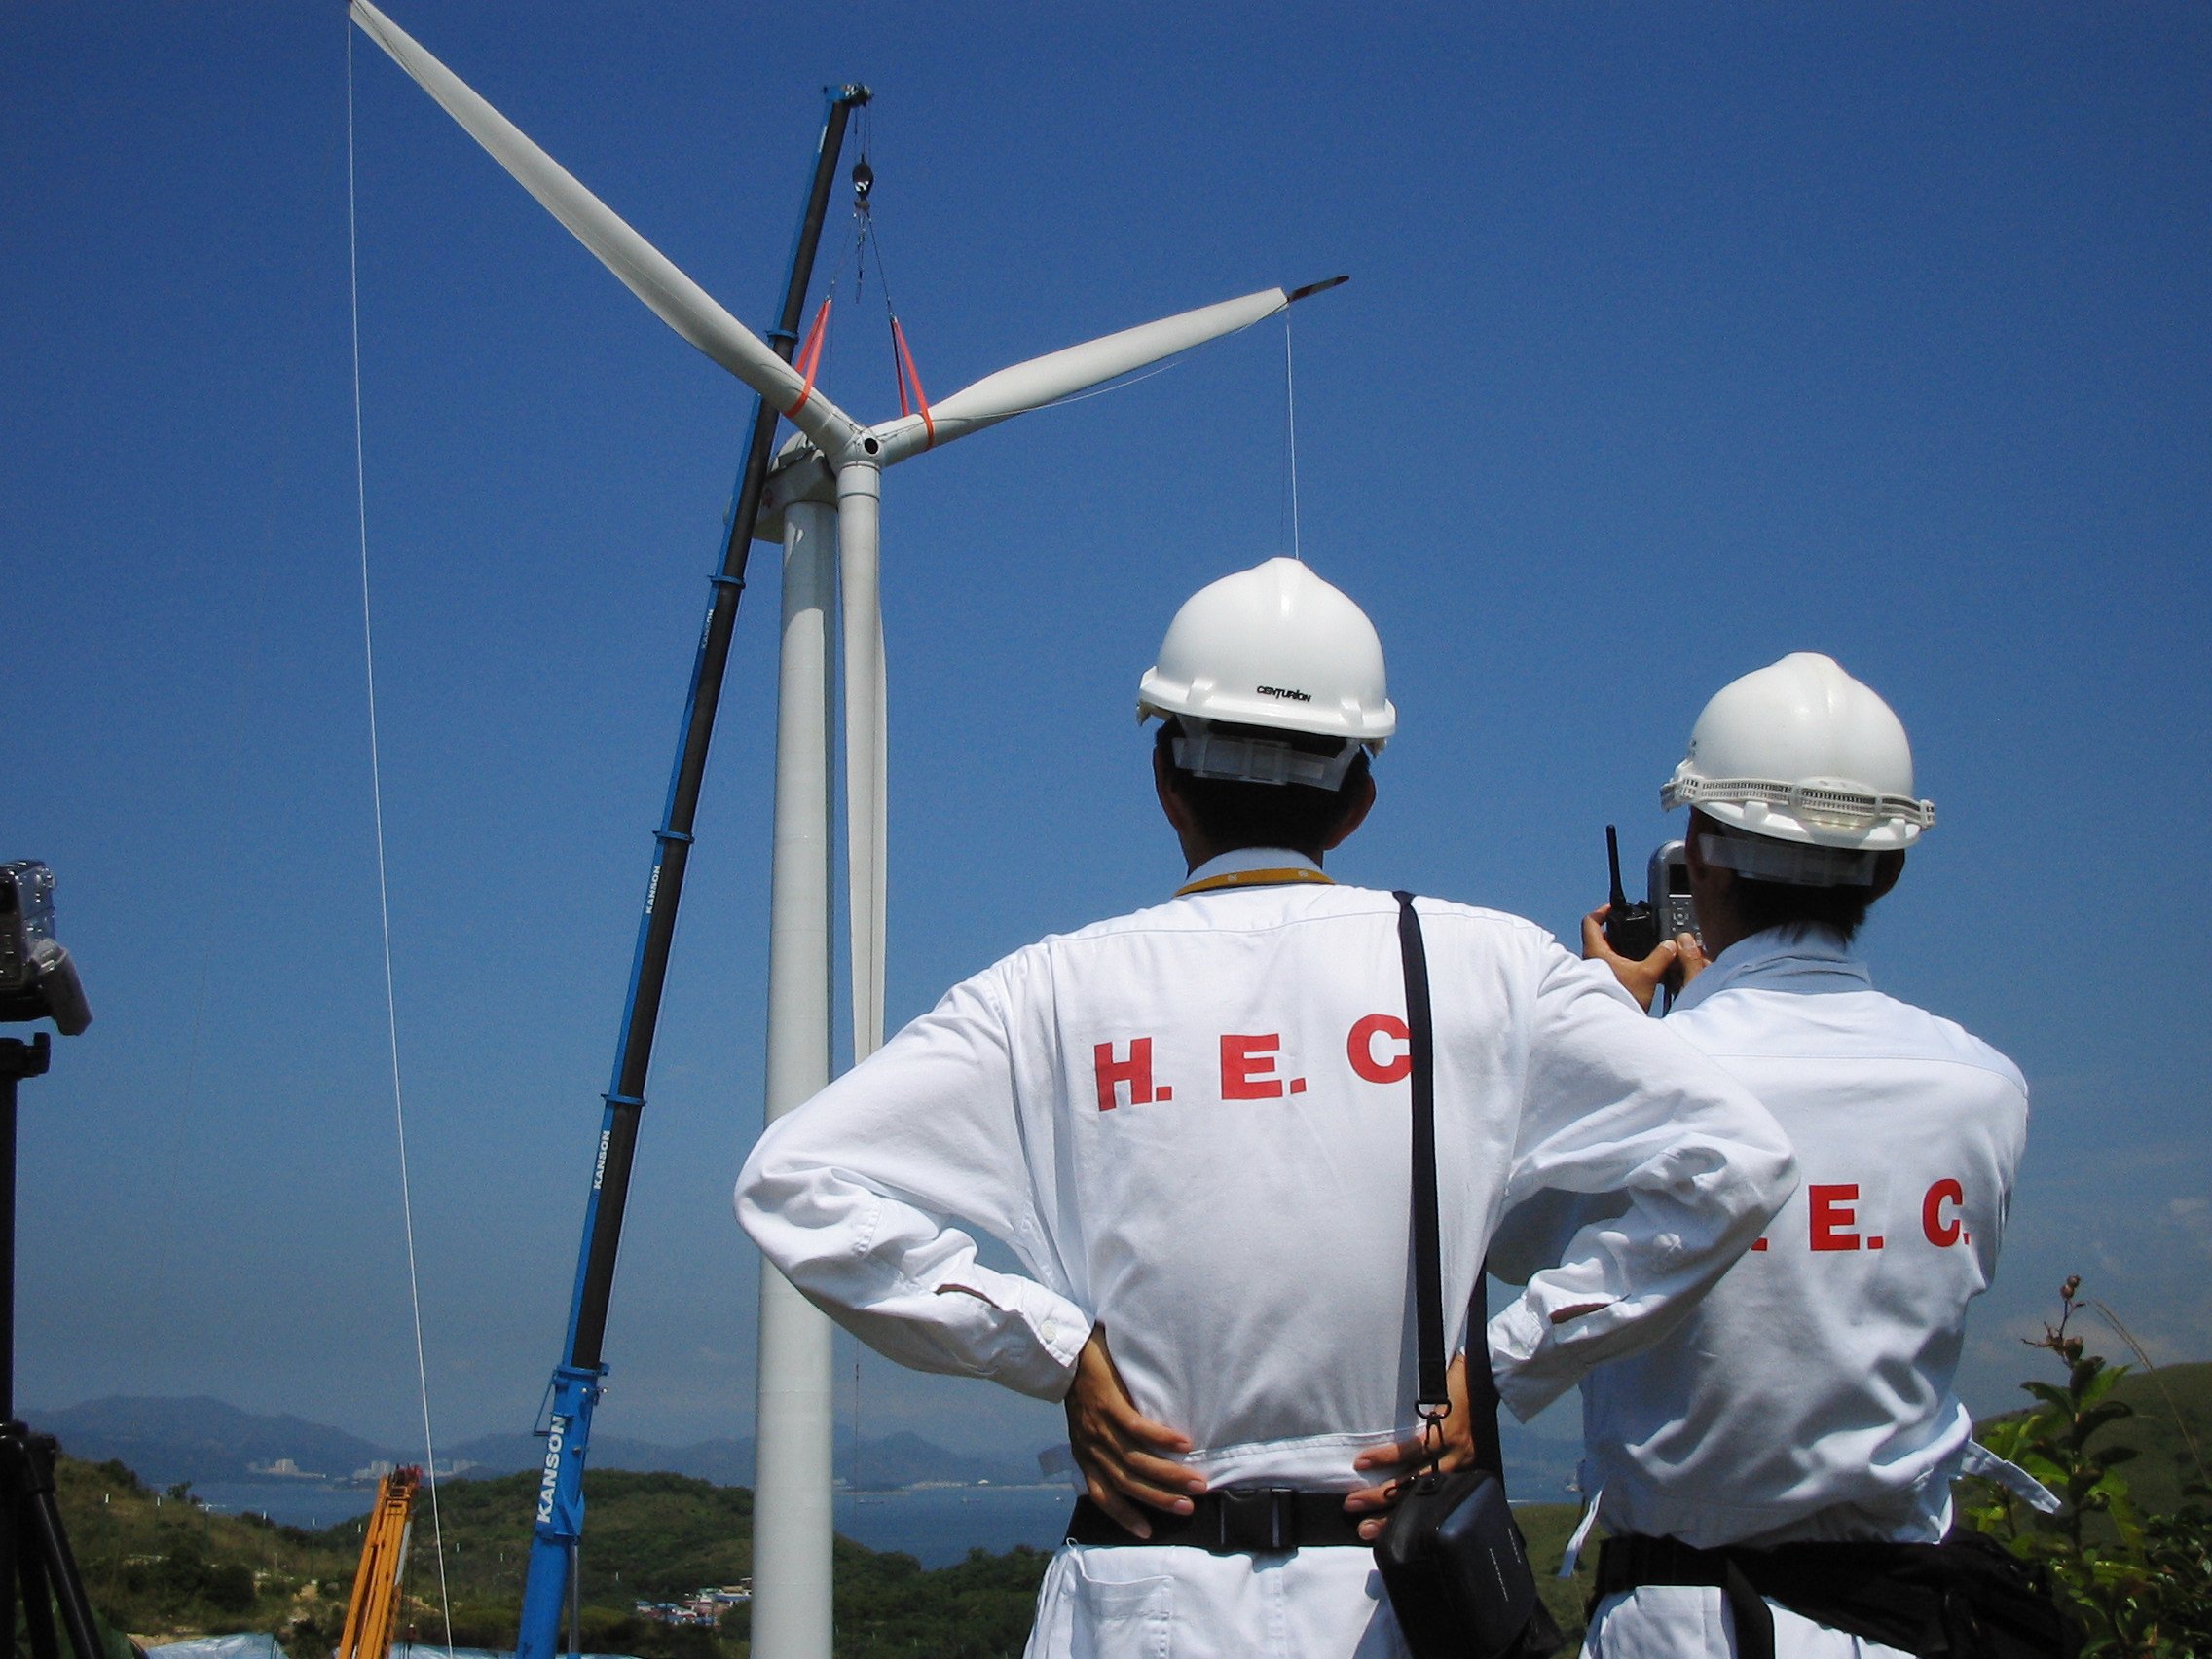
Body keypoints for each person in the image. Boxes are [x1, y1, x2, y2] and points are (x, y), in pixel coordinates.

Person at [736, 558, 1796, 1659]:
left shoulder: (1045, 991)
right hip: (1391, 1593)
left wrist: (1049, 1346)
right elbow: (1735, 1160)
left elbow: (793, 1182)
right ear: (1357, 798)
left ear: (1164, 775)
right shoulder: (1486, 966)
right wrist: (1507, 1365)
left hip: (1136, 1597)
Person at [1496, 652, 2054, 1659]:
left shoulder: (1653, 1077)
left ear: (1697, 848)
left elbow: (1514, 1246)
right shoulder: (1984, 1088)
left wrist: (1603, 1038)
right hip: (1913, 1620)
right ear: (1889, 864)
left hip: (1682, 1623)